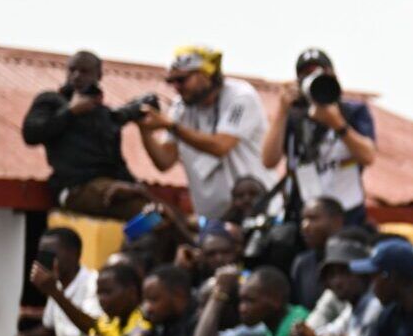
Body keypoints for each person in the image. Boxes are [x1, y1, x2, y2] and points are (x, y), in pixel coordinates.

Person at [138, 47, 273, 221]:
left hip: (258, 214)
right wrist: (144, 130)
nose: (176, 87)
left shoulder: (241, 97)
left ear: (206, 74)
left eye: (182, 80)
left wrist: (172, 126)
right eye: (172, 81)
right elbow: (164, 161)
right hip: (213, 221)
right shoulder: (181, 107)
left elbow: (221, 146)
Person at [21, 50, 151, 218]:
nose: (76, 76)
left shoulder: (105, 115)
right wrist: (70, 112)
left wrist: (133, 184)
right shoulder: (51, 101)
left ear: (99, 75)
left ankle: (139, 232)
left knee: (160, 214)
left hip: (109, 185)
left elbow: (115, 161)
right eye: (72, 70)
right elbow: (31, 134)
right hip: (74, 187)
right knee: (144, 214)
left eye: (84, 71)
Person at [261, 48, 376, 219]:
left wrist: (337, 123)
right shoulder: (293, 116)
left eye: (320, 74)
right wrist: (282, 110)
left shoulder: (352, 112)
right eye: (306, 75)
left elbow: (368, 156)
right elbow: (268, 160)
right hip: (303, 213)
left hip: (347, 214)